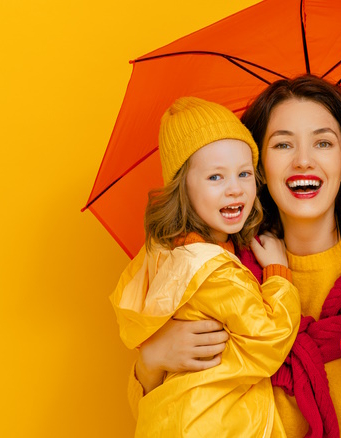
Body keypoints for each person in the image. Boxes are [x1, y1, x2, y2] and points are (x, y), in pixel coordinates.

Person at [123, 76, 341, 438]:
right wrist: (151, 361)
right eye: (283, 144)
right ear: (259, 168)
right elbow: (173, 416)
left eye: (322, 143)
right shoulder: (216, 266)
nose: (303, 161)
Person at [110, 97, 300, 437]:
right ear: (182, 187)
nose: (235, 189)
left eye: (244, 173)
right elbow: (268, 338)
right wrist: (278, 274)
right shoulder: (212, 267)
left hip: (169, 419)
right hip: (213, 425)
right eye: (215, 177)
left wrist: (151, 359)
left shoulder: (162, 254)